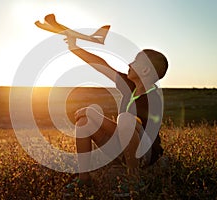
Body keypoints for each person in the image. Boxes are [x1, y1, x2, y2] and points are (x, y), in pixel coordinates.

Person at [63, 34, 168, 195]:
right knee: (84, 121)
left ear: (145, 70)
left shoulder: (152, 99)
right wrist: (74, 48)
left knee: (125, 119)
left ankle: (134, 180)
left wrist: (95, 115)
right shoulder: (129, 85)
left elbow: (128, 128)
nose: (129, 64)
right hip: (122, 150)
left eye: (135, 61)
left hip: (145, 155)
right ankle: (84, 178)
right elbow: (101, 65)